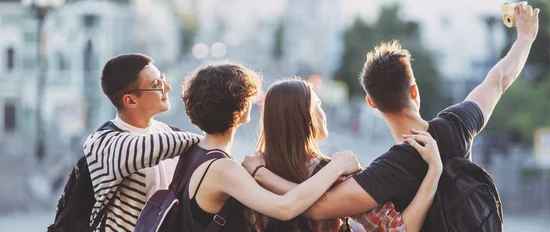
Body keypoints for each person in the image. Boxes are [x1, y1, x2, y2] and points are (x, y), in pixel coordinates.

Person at [244, 2, 540, 231]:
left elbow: (313, 206)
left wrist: (260, 173)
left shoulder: (387, 170)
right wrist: (525, 38)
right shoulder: (456, 125)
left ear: (371, 103)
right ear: (414, 91)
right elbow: (498, 79)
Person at [176, 61, 362, 231]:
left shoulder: (194, 152)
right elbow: (285, 208)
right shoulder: (223, 168)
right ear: (239, 108)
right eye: (248, 97)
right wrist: (337, 167)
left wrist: (261, 172)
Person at [242, 78, 443, 232]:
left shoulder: (246, 176)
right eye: (318, 105)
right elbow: (399, 229)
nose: (323, 112)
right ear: (307, 118)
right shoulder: (335, 178)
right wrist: (435, 170)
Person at [84, 54, 202, 232]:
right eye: (156, 85)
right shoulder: (101, 143)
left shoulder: (170, 135)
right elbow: (148, 146)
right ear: (130, 100)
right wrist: (207, 139)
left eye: (162, 79)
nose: (167, 88)